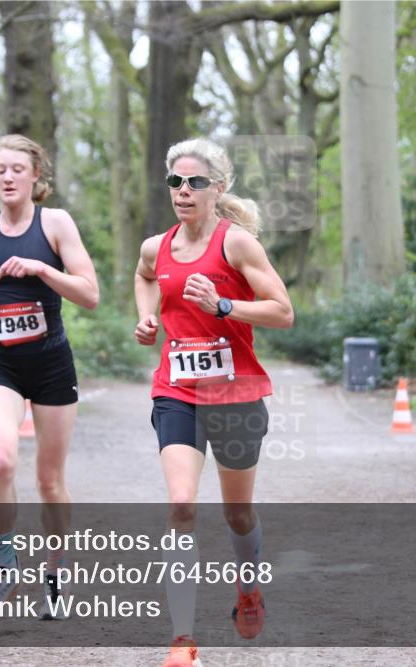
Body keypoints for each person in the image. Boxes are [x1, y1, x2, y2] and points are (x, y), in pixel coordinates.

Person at [134, 137, 294, 667]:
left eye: (195, 182)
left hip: (236, 393)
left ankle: (249, 589)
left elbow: (282, 312)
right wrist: (148, 316)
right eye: (175, 182)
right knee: (181, 505)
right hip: (176, 391)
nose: (183, 191)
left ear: (217, 188)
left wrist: (225, 305)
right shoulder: (156, 247)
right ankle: (182, 641)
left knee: (237, 511)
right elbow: (144, 276)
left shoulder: (237, 245)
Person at [0, 134, 99, 619]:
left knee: (50, 481)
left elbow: (90, 294)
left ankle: (54, 573)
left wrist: (41, 268)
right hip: (2, 366)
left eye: (18, 169)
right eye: (0, 170)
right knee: (0, 462)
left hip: (53, 366)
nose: (8, 177)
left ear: (36, 176)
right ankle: (5, 563)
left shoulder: (55, 223)